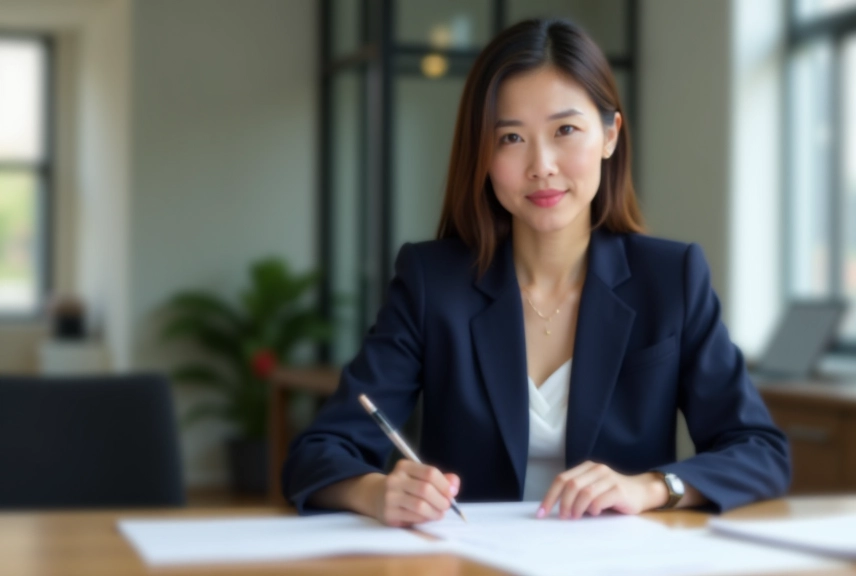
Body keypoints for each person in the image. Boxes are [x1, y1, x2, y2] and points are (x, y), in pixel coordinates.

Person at [282, 18, 790, 527]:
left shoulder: (671, 278)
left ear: (610, 135)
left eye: (565, 130)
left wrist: (653, 487)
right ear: (482, 155)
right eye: (510, 138)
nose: (541, 165)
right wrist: (376, 492)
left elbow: (759, 450)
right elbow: (319, 451)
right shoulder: (431, 283)